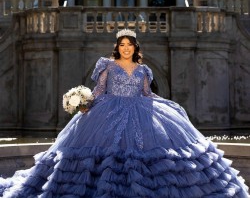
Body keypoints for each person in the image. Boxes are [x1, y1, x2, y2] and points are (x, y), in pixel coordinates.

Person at [0, 29, 249, 198]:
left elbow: (146, 95)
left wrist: (167, 105)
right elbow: (99, 89)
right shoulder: (106, 65)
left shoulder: (144, 70)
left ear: (135, 47)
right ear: (117, 47)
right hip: (108, 110)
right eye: (122, 45)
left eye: (130, 45)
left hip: (140, 110)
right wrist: (84, 102)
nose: (126, 48)